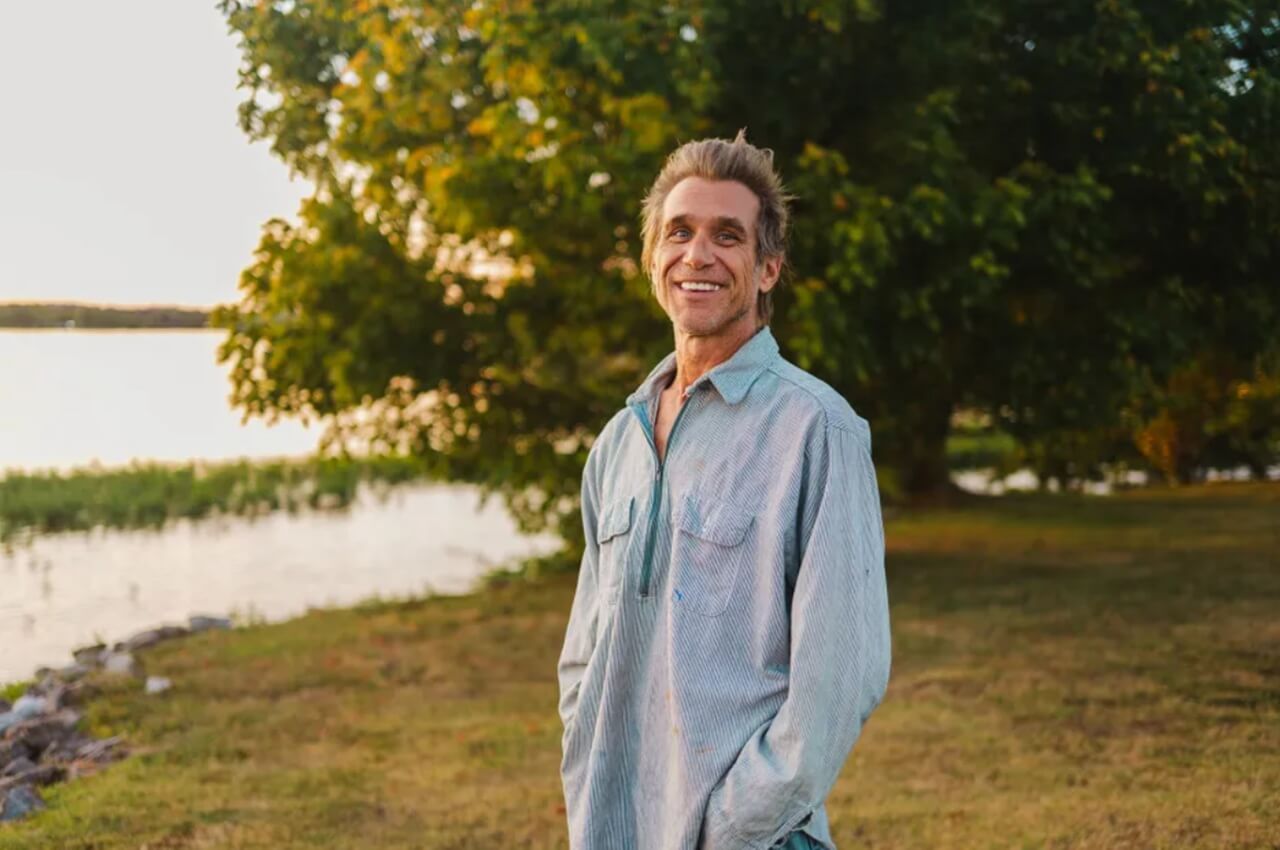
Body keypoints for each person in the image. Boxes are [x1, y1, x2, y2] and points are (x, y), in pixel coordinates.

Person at [557, 131, 892, 850]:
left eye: (727, 236)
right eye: (679, 232)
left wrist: (733, 823)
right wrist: (585, 763)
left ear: (767, 268)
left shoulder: (818, 429)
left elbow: (842, 676)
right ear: (653, 259)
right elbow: (583, 651)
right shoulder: (616, 445)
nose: (698, 255)